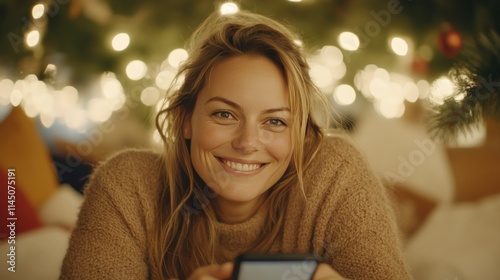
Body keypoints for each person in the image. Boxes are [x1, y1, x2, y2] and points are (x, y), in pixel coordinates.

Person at [60, 9, 412, 280]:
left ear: (300, 136)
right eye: (224, 115)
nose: (247, 143)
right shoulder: (128, 186)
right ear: (185, 118)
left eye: (275, 121)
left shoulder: (334, 174)